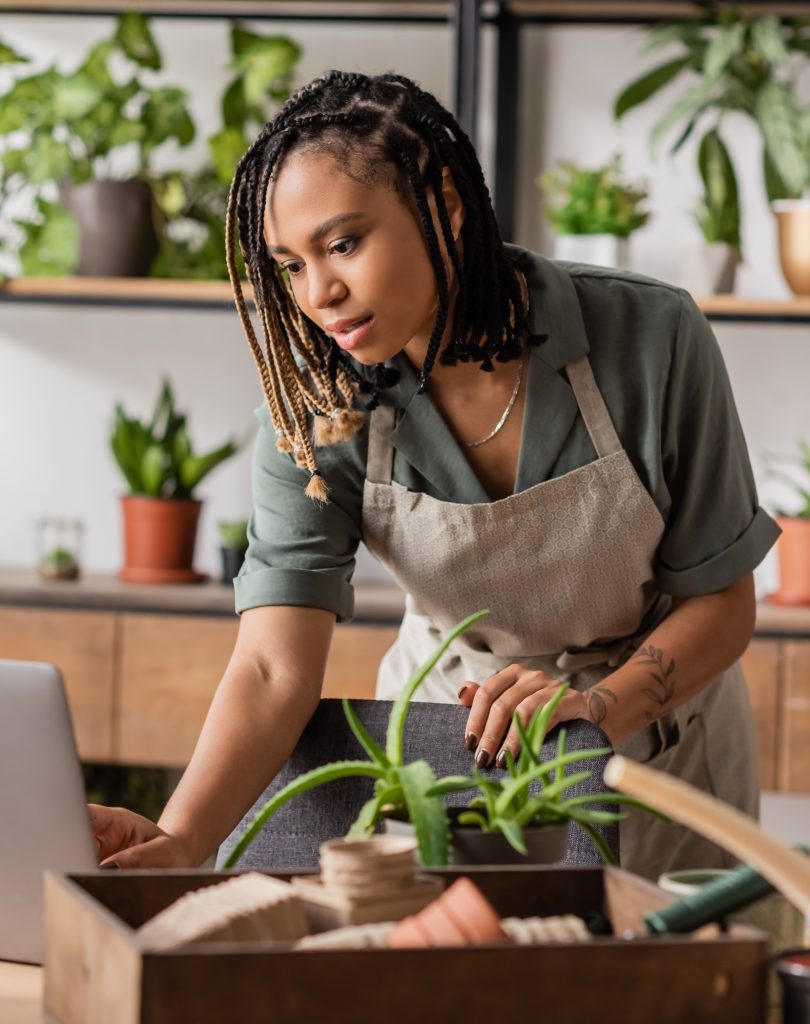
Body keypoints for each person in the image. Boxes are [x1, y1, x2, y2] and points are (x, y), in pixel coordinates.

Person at [91, 70, 779, 881]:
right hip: (456, 745)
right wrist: (181, 841)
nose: (320, 294)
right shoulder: (319, 405)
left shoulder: (650, 337)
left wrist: (599, 708)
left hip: (659, 746)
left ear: (444, 203)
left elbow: (722, 600)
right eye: (290, 266)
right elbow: (274, 666)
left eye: (343, 243)